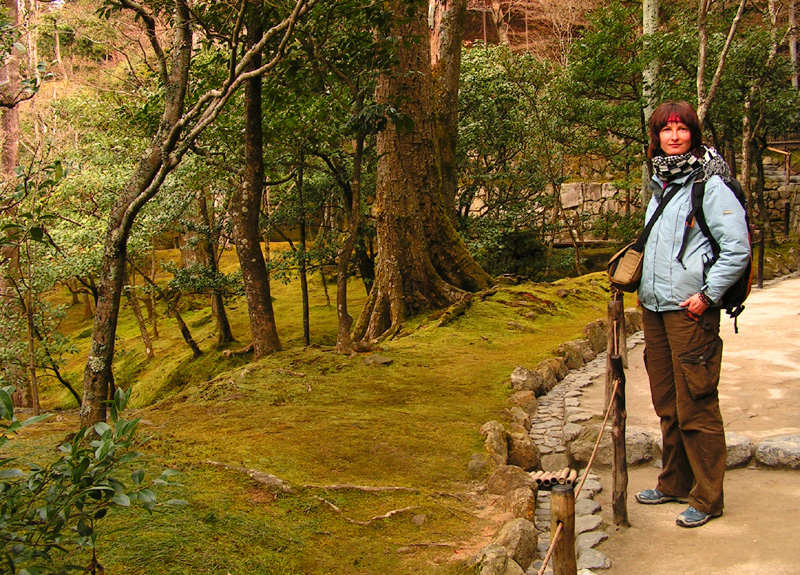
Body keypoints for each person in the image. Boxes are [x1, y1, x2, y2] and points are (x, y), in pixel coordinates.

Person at [634, 101, 750, 527]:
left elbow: (737, 248)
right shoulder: (662, 182)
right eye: (667, 130)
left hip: (690, 312)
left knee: (696, 403)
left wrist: (707, 294)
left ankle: (707, 497)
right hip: (655, 308)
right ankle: (673, 482)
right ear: (657, 137)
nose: (675, 136)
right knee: (667, 403)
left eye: (682, 128)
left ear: (694, 134)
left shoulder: (709, 184)